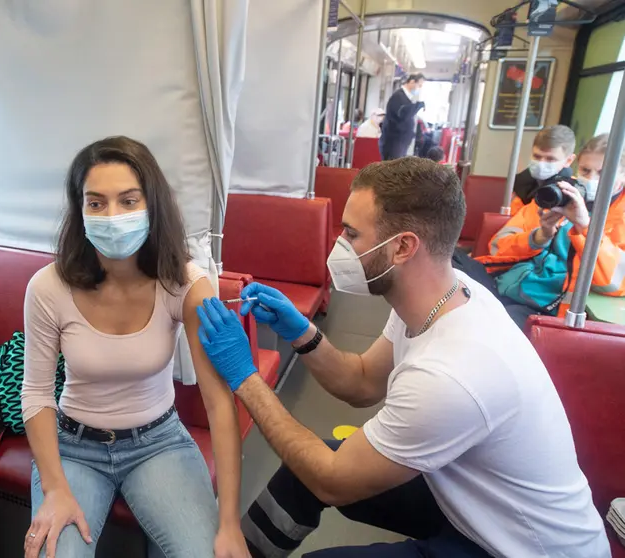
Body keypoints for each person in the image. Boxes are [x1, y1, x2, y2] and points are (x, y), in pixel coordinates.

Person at [196, 158, 609, 557]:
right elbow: (359, 382)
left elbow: (331, 482)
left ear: (403, 247)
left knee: (319, 474)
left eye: (351, 234)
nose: (339, 246)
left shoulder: (451, 375)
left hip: (517, 547)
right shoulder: (443, 293)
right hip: (474, 505)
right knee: (302, 471)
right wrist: (301, 332)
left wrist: (244, 376)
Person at [21, 136, 249, 558]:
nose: (112, 216)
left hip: (158, 440)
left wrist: (230, 522)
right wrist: (54, 488)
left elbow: (219, 404)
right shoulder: (47, 288)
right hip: (74, 447)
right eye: (96, 203)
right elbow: (36, 394)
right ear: (80, 210)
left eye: (128, 201)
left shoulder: (185, 284)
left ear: (152, 205)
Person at [462, 133, 625, 328]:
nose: (591, 178)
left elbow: (614, 282)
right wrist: (540, 236)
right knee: (449, 264)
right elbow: (499, 246)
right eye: (585, 170)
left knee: (491, 323)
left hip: (550, 303)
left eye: (603, 173)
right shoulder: (560, 193)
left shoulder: (620, 216)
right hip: (512, 279)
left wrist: (584, 226)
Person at [509, 124, 576, 215]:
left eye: (550, 159)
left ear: (568, 160)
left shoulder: (570, 193)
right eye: (537, 156)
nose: (541, 163)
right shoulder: (519, 183)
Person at [379, 74, 425, 161]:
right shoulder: (398, 96)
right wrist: (418, 106)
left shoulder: (405, 98)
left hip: (400, 141)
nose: (419, 88)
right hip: (394, 142)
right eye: (419, 85)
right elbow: (403, 114)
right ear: (412, 82)